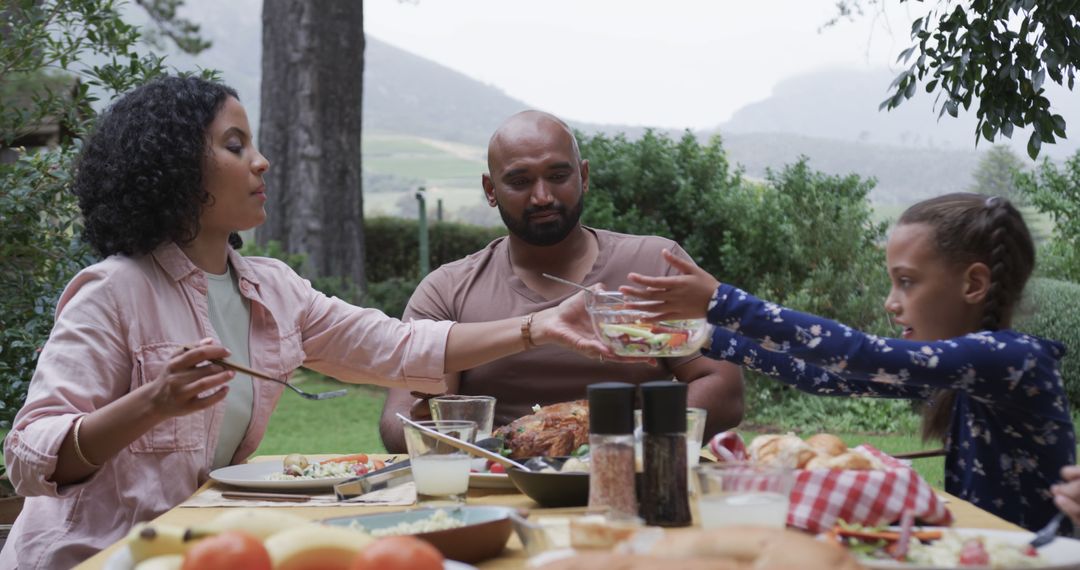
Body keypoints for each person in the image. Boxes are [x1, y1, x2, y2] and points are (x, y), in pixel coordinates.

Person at [0, 77, 617, 569]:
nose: (262, 162)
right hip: (92, 556)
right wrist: (152, 402)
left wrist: (540, 325)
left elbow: (400, 348)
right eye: (235, 145)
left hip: (199, 552)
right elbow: (29, 457)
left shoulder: (272, 288)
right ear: (176, 170)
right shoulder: (114, 290)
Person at [621, 193, 1076, 532]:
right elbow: (824, 376)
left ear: (974, 283)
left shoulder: (1012, 359)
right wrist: (695, 337)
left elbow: (858, 353)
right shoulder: (961, 370)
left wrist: (723, 302)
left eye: (906, 282)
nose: (891, 303)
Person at [379, 110, 744, 453]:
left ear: (583, 176)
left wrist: (620, 445)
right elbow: (397, 426)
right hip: (497, 485)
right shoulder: (449, 290)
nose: (542, 196)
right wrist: (433, 426)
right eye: (520, 181)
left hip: (637, 480)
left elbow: (724, 388)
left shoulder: (654, 266)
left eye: (558, 176)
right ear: (491, 190)